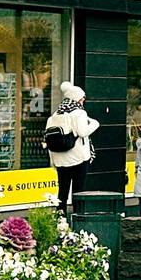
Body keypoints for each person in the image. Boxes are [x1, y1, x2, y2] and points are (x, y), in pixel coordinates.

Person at [44, 82, 100, 217]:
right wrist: (95, 123)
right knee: (78, 190)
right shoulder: (79, 113)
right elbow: (82, 132)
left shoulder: (56, 114)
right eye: (82, 98)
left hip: (60, 159)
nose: (84, 100)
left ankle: (60, 219)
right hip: (78, 158)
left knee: (62, 191)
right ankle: (78, 217)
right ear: (77, 98)